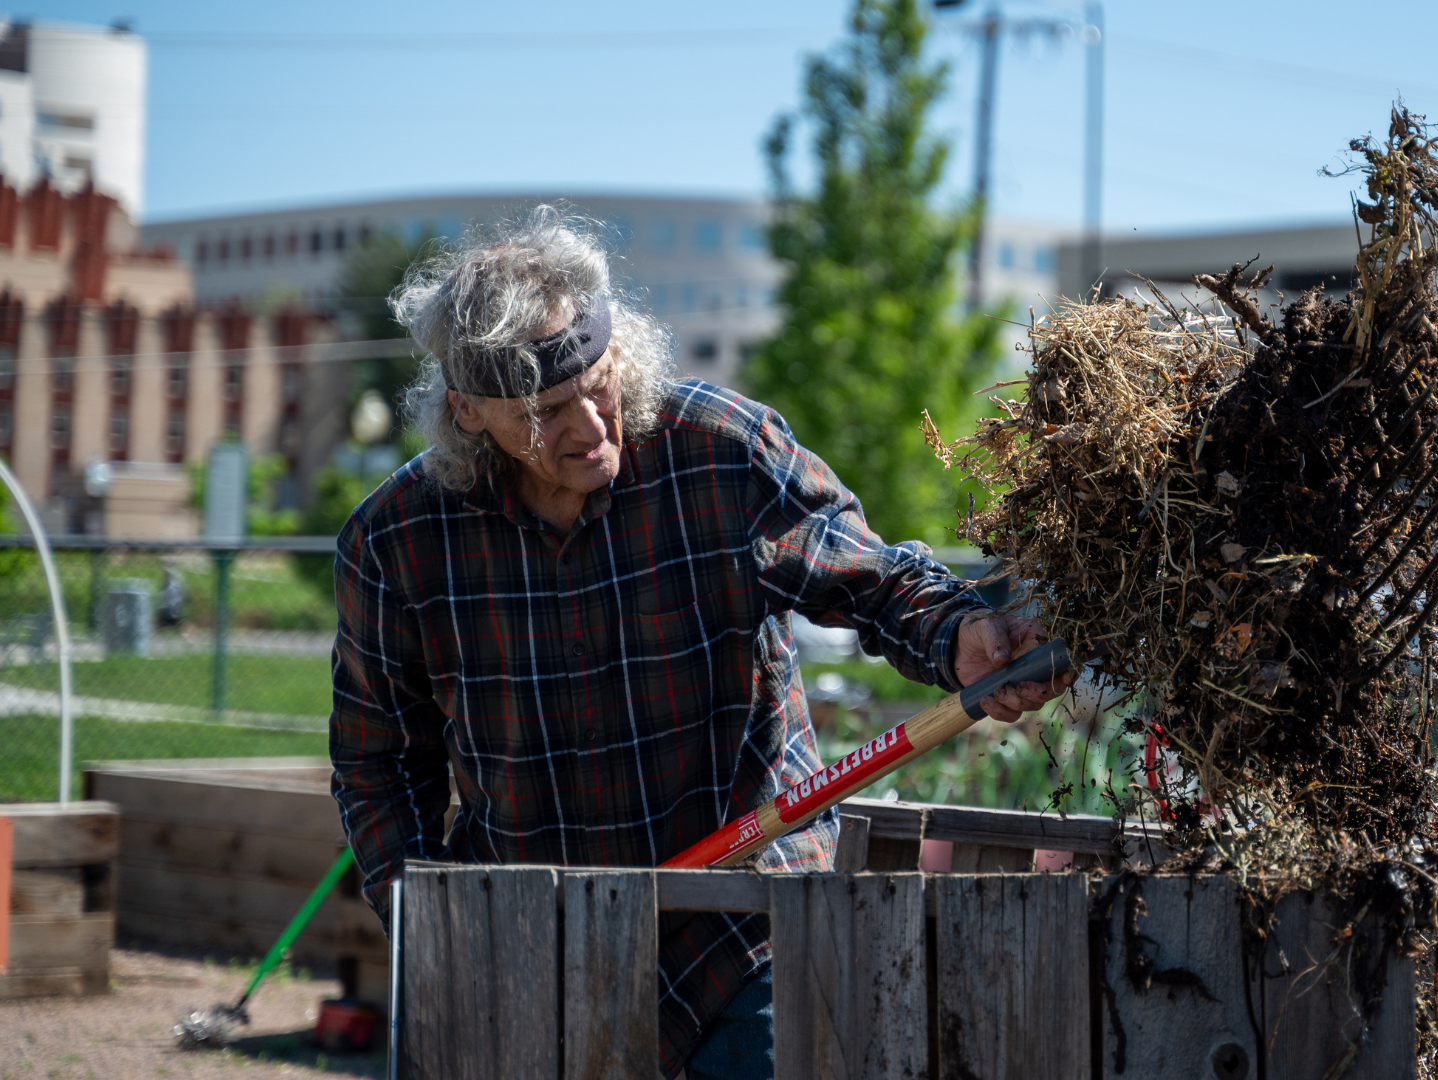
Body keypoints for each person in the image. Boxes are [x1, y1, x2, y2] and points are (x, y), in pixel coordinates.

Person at [328, 207, 1069, 1079]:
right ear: (468, 412)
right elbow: (379, 763)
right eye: (544, 412)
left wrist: (958, 634)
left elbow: (868, 575)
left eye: (596, 385)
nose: (589, 428)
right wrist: (434, 918)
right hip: (540, 932)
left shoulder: (719, 453)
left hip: (742, 917)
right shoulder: (397, 542)